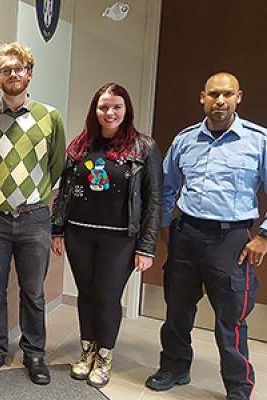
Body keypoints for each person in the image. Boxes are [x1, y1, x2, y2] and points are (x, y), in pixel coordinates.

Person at [145, 72, 266, 400]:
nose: (220, 101)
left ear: (239, 97)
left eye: (227, 94)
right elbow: (166, 186)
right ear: (202, 97)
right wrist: (167, 228)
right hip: (187, 234)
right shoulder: (185, 140)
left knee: (231, 320)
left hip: (231, 241)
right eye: (213, 94)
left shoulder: (258, 140)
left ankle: (239, 388)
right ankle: (174, 367)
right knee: (177, 309)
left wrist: (264, 237)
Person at [51, 83, 162, 388]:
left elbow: (154, 199)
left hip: (120, 238)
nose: (109, 112)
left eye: (116, 107)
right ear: (95, 110)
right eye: (103, 107)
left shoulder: (144, 147)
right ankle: (86, 352)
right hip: (79, 234)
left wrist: (147, 247)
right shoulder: (80, 145)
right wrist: (57, 229)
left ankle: (104, 356)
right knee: (86, 295)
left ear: (126, 110)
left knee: (106, 296)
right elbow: (65, 193)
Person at [0, 42, 66, 385]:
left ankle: (34, 353)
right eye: (6, 70)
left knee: (33, 292)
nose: (13, 75)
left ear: (29, 73)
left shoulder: (49, 117)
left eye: (19, 69)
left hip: (34, 218)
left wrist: (31, 195)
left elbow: (56, 167)